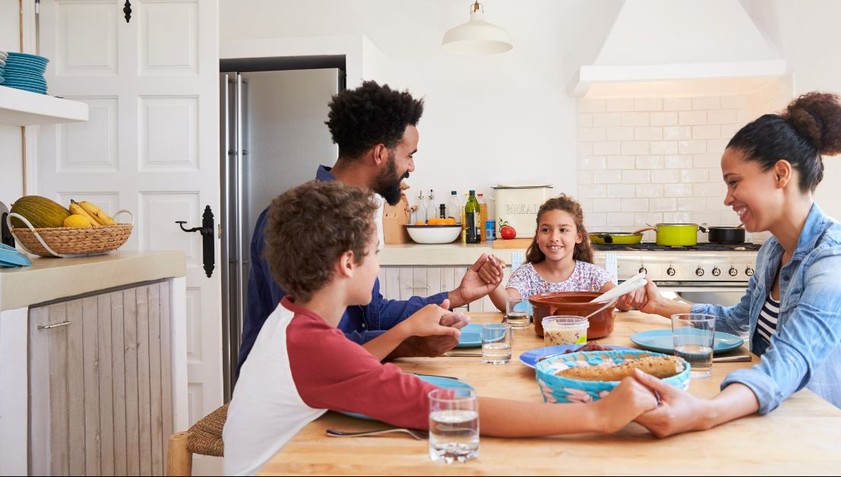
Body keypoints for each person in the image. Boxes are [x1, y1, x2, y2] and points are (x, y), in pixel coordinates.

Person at [223, 181, 661, 475]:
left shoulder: (292, 319)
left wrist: (407, 333)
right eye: (376, 252)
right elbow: (444, 406)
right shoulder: (314, 344)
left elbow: (348, 366)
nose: (378, 263)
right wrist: (595, 415)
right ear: (348, 263)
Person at [627, 91, 841, 453]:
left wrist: (704, 412)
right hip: (801, 430)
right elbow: (736, 321)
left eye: (734, 182)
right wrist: (660, 304)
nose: (728, 199)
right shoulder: (772, 251)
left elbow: (793, 358)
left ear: (780, 174)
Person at [239, 81, 503, 375]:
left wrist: (457, 296)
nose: (412, 167)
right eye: (410, 154)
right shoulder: (301, 219)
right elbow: (313, 347)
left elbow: (371, 315)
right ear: (380, 154)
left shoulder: (354, 216)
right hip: (288, 395)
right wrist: (408, 342)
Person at [488, 194, 636, 311]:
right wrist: (493, 282)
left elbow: (622, 304)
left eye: (563, 230)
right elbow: (506, 304)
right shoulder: (526, 275)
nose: (554, 238)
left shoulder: (592, 275)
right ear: (537, 236)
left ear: (578, 236)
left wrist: (632, 294)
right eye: (546, 230)